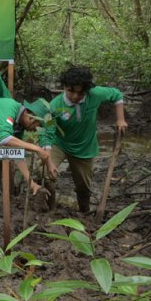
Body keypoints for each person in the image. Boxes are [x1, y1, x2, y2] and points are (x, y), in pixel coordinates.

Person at [40, 66, 128, 213]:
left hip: (84, 147)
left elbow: (117, 95)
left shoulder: (95, 94)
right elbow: (47, 134)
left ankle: (84, 213)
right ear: (64, 87)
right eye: (71, 91)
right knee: (45, 175)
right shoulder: (54, 106)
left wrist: (120, 119)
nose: (75, 97)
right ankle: (52, 210)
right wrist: (48, 162)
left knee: (83, 187)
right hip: (59, 144)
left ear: (87, 90)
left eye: (80, 93)